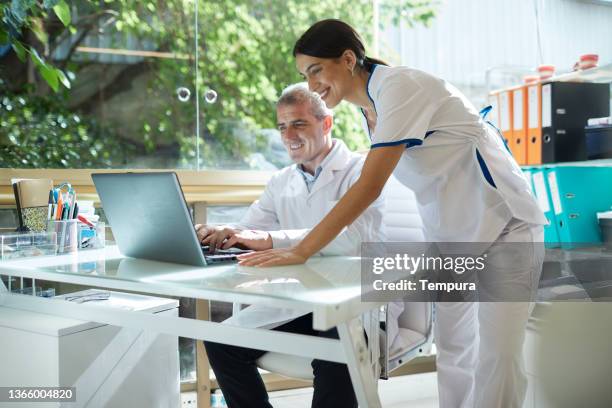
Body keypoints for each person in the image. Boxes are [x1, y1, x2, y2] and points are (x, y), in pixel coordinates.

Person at [238, 19, 547, 408]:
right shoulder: (371, 108)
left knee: (497, 353)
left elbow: (368, 187)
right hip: (453, 236)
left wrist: (302, 249)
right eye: (305, 74)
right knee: (455, 351)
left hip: (506, 226)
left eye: (316, 70)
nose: (312, 84)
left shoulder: (399, 87)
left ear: (348, 59)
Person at [199, 83, 385, 408]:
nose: (288, 135)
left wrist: (270, 239)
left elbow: (353, 240)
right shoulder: (282, 180)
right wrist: (223, 233)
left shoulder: (361, 173)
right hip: (298, 303)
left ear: (326, 123)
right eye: (282, 127)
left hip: (352, 306)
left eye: (299, 124)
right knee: (220, 341)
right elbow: (250, 229)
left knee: (335, 351)